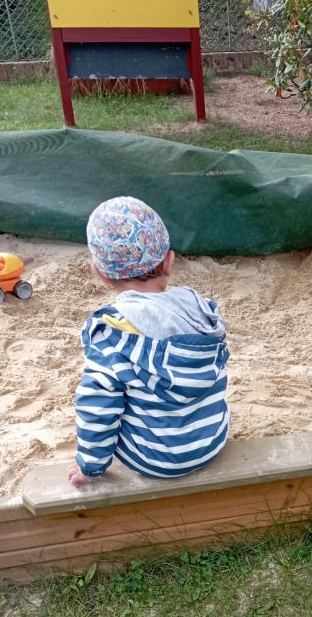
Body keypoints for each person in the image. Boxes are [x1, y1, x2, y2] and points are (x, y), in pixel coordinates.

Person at [68, 197, 230, 488]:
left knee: (111, 395)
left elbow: (97, 407)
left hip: (153, 459)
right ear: (169, 261)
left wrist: (90, 467)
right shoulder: (202, 311)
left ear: (100, 274)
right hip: (211, 441)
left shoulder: (111, 332)